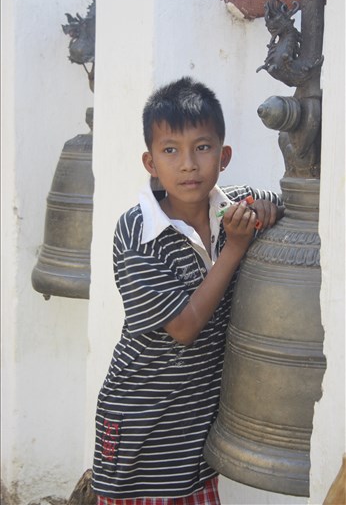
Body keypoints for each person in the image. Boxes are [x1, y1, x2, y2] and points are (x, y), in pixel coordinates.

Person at [92, 77, 284, 504]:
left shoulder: (236, 206)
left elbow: (290, 205)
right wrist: (235, 248)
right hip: (141, 417)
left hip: (197, 424)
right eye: (170, 150)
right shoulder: (138, 232)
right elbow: (182, 326)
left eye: (202, 147)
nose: (188, 165)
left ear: (224, 154)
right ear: (150, 161)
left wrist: (271, 209)